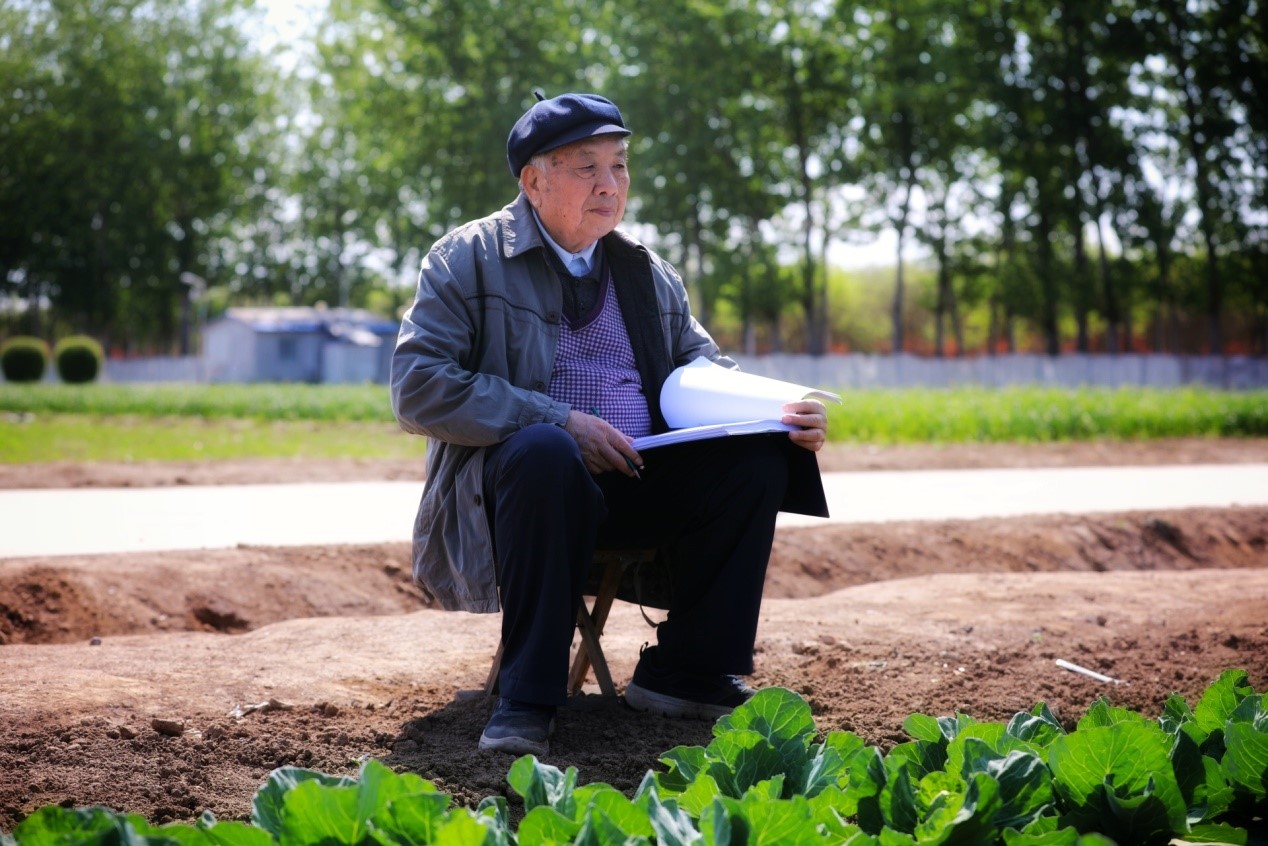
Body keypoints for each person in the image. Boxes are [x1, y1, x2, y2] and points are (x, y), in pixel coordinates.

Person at [390, 91, 829, 756]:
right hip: (522, 497)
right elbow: (417, 388)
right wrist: (560, 420)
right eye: (586, 167)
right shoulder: (465, 260)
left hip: (637, 478)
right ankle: (527, 696)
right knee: (544, 450)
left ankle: (689, 672)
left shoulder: (646, 272)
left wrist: (776, 412)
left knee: (761, 458)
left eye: (619, 166)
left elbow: (703, 369)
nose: (609, 184)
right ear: (533, 181)